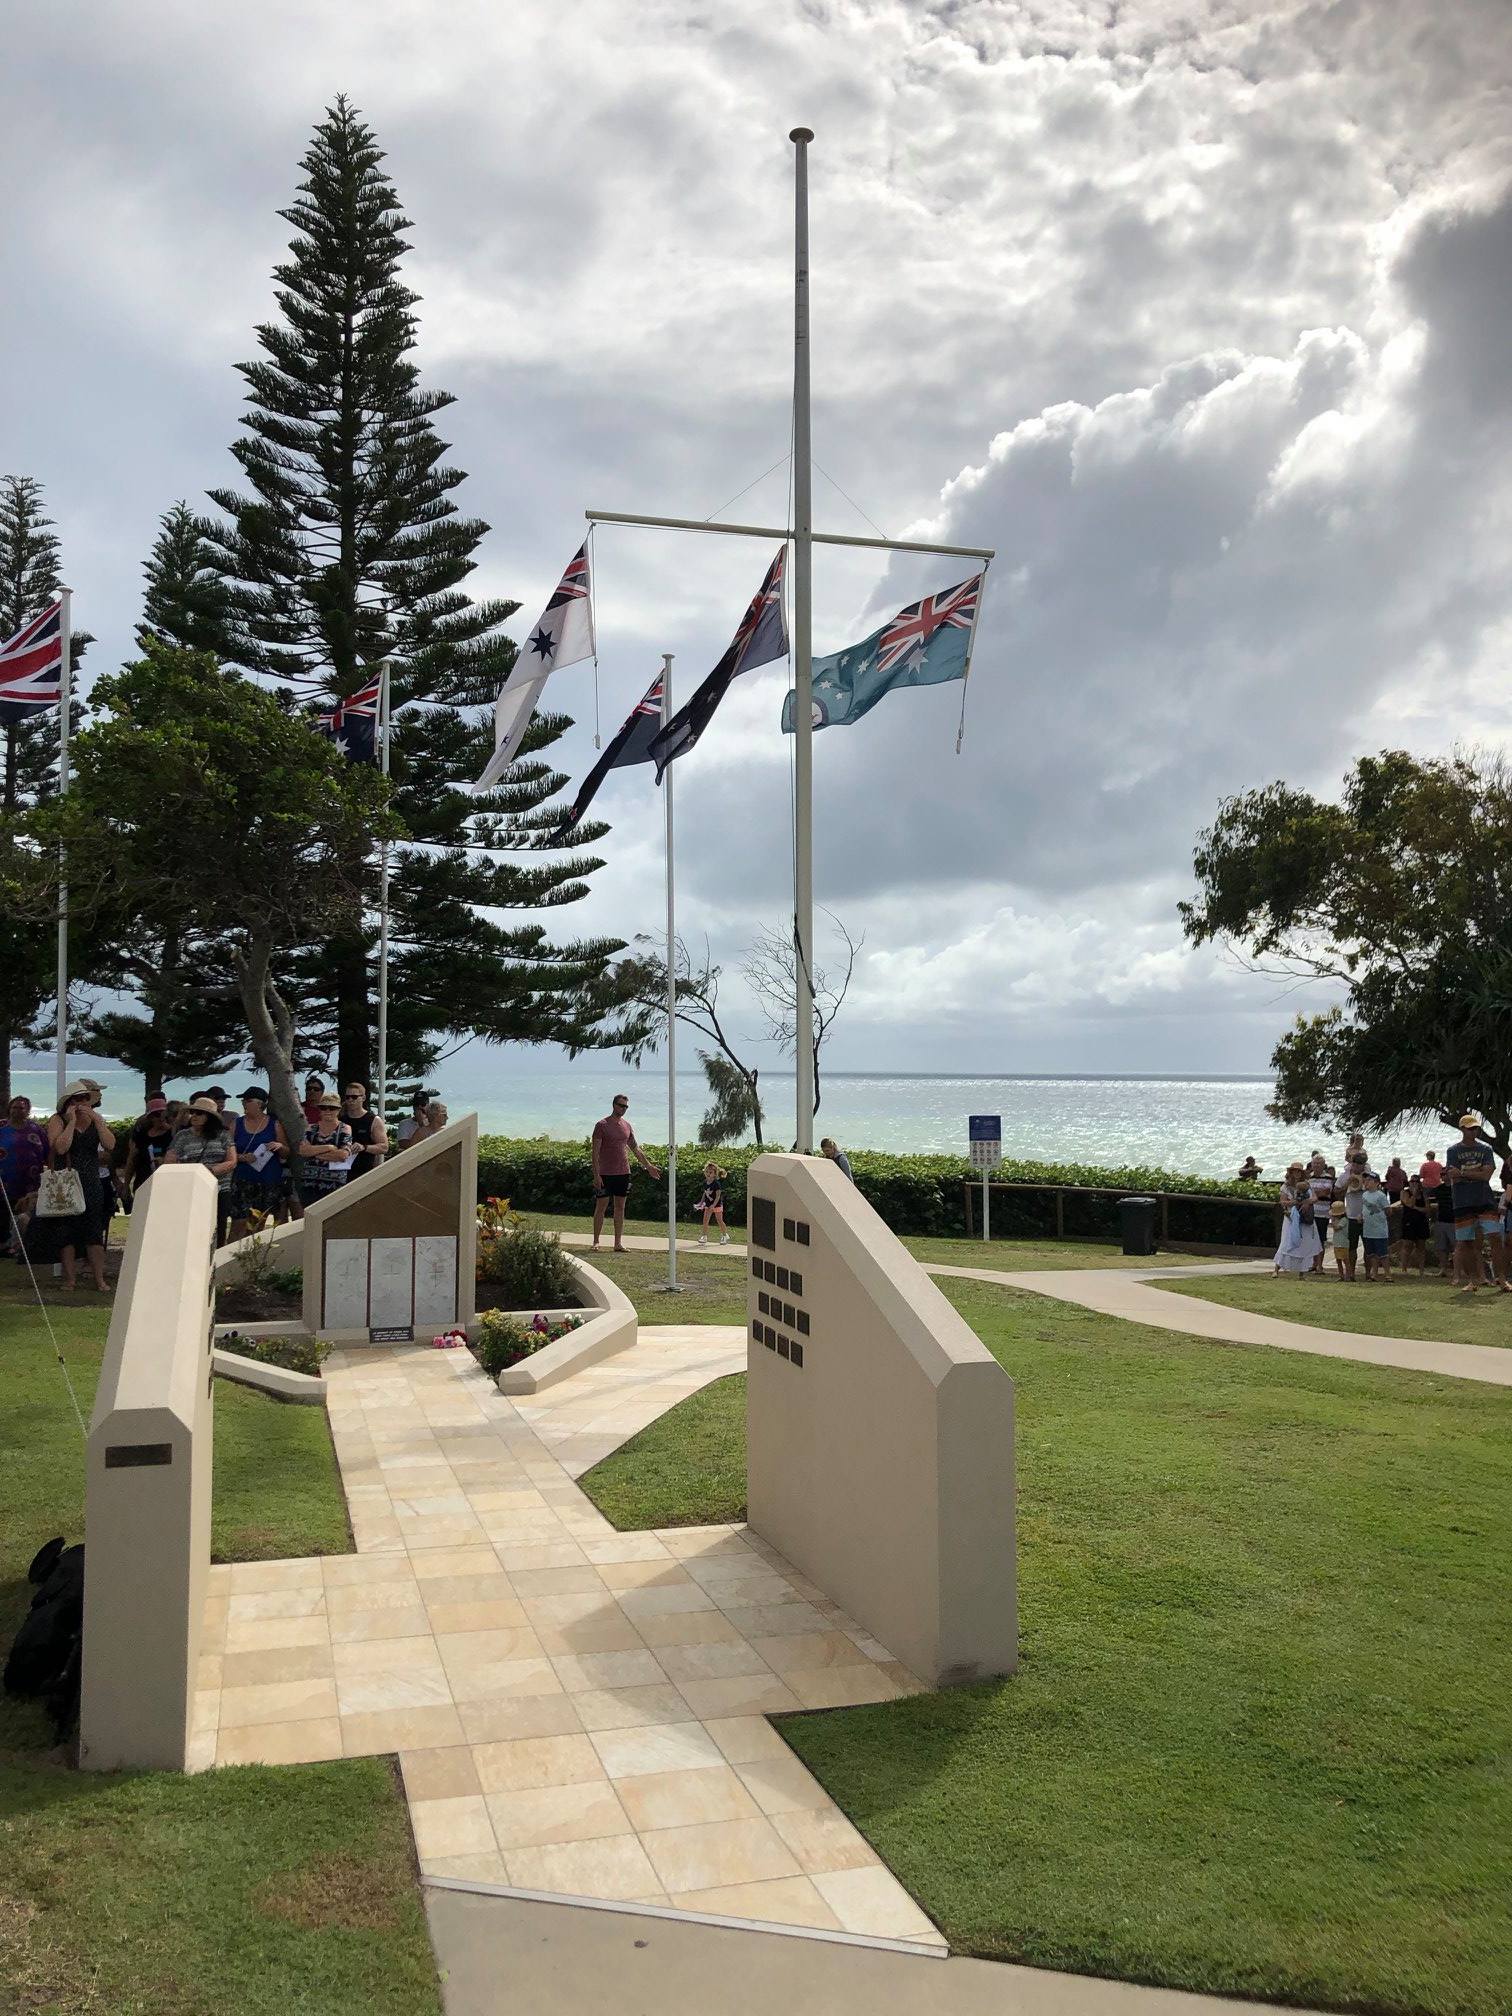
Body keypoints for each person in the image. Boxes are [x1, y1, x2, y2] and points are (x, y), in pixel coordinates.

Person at [41, 1082, 115, 1290]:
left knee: (94, 1231)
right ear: (68, 1102)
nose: (82, 1103)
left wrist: (98, 1121)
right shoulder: (58, 1120)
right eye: (77, 1099)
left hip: (91, 1179)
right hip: (67, 1181)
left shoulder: (94, 1120)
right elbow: (61, 1147)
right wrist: (72, 1122)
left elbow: (110, 1145)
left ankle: (99, 1278)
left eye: (85, 1098)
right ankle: (70, 1279)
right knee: (67, 1231)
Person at [1444, 1114, 1508, 1295]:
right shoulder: (1453, 1151)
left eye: (1476, 1128)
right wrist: (1475, 1172)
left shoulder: (1486, 1149)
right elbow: (1452, 1175)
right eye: (1470, 1128)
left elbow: (1486, 1175)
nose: (1474, 1131)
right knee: (1465, 1242)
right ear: (1462, 1129)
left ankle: (1501, 1278)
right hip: (1463, 1201)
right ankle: (1473, 1280)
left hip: (1484, 1199)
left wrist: (1463, 1172)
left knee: (1495, 1237)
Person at [590, 1093, 661, 1253]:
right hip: (605, 1173)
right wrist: (596, 1174)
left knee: (620, 1207)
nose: (624, 1109)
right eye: (621, 1106)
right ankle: (596, 1241)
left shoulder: (627, 1126)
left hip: (623, 1172)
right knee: (601, 1206)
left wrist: (648, 1166)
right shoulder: (601, 1125)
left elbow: (635, 1148)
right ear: (614, 1105)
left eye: (626, 1107)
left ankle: (618, 1243)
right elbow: (595, 1153)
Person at [164, 1095, 238, 1243]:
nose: (194, 1116)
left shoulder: (223, 1135)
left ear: (209, 1117)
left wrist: (209, 1172)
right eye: (192, 1113)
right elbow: (170, 1160)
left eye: (199, 1113)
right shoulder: (182, 1136)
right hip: (192, 1188)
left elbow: (232, 1161)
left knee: (219, 1227)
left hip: (220, 1188)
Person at [230, 1088, 290, 1238]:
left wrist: (279, 1146)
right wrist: (243, 1157)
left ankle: (251, 1256)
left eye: (248, 1101)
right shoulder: (236, 1124)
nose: (243, 1103)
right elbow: (225, 1153)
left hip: (267, 1181)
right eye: (243, 1100)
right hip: (242, 1180)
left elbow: (286, 1152)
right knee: (238, 1222)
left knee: (257, 1223)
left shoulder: (274, 1124)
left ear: (260, 1104)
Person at [0, 1095, 49, 1259]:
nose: (17, 1110)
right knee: (3, 1212)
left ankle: (24, 1246)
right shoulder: (1, 1127)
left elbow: (47, 1152)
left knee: (26, 1213)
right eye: (14, 1107)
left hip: (30, 1180)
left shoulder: (36, 1129)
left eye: (21, 1108)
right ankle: (4, 1246)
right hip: (5, 1179)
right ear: (9, 1109)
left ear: (27, 1111)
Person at [297, 1092, 355, 1208]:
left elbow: (343, 1155)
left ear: (338, 1110)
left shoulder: (344, 1128)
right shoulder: (311, 1128)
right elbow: (302, 1151)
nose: (328, 1111)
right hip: (310, 1184)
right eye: (324, 1108)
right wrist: (328, 1148)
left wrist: (314, 1152)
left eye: (332, 1108)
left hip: (334, 1185)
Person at [1272, 1163, 1321, 1277]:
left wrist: (1306, 1202)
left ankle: (1301, 1273)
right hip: (1291, 1218)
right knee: (1286, 1243)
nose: (1297, 1173)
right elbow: (1282, 1202)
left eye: (1299, 1171)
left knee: (1304, 1244)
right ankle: (1276, 1269)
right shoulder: (1286, 1186)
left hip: (1304, 1217)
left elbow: (1314, 1198)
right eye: (1295, 1171)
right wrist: (1294, 1202)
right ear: (1291, 1173)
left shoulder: (1307, 1185)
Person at [126, 1094, 176, 1196]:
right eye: (157, 1114)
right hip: (143, 1182)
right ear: (150, 1117)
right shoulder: (142, 1135)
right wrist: (126, 1184)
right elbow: (132, 1159)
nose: (161, 1118)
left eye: (164, 1114)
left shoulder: (174, 1135)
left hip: (167, 1184)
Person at [341, 1082, 388, 1177]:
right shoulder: (340, 1120)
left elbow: (384, 1147)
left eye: (354, 1097)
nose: (350, 1100)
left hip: (364, 1173)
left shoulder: (373, 1120)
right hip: (341, 1172)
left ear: (363, 1098)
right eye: (347, 1097)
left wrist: (364, 1147)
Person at [1359, 1171, 1393, 1282]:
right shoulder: (1364, 1195)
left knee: (1383, 1254)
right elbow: (1363, 1209)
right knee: (1371, 1254)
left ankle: (1388, 1275)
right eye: (1366, 1180)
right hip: (1368, 1229)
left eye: (1369, 1180)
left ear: (1376, 1182)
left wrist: (1380, 1216)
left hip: (1379, 1229)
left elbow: (1388, 1210)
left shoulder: (1381, 1195)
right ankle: (1374, 1274)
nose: (1366, 1182)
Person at [1305, 1153, 1335, 1273]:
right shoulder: (1309, 1178)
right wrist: (1316, 1193)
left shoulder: (1328, 1177)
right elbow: (1307, 1192)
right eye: (1315, 1163)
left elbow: (1326, 1191)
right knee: (1311, 1238)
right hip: (1311, 1212)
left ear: (1323, 1165)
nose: (1317, 1166)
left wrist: (1314, 1193)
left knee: (1321, 1239)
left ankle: (1320, 1265)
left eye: (1319, 1163)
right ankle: (1313, 1262)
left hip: (1323, 1212)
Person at [1399, 1176, 1430, 1277]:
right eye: (1412, 1181)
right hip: (1409, 1221)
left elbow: (1427, 1209)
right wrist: (1414, 1194)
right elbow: (1409, 1204)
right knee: (1407, 1245)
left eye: (1416, 1181)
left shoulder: (1423, 1194)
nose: (1414, 1183)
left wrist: (1417, 1207)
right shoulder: (1404, 1193)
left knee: (1421, 1246)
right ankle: (1404, 1269)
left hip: (1421, 1222)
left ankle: (1421, 1270)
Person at [697, 1163, 730, 1246]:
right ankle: (704, 1236)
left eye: (710, 1172)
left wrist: (714, 1205)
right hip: (708, 1205)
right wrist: (701, 1202)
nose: (708, 1174)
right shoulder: (705, 1182)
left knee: (719, 1220)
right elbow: (705, 1193)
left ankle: (724, 1235)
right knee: (705, 1220)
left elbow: (718, 1195)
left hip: (717, 1205)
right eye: (707, 1172)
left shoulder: (716, 1184)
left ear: (715, 1174)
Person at [1328, 1197, 1351, 1278]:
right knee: (1338, 1260)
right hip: (1337, 1242)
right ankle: (1341, 1275)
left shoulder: (1344, 1220)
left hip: (1343, 1243)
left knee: (1345, 1260)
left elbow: (1337, 1228)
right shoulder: (1338, 1220)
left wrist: (1332, 1220)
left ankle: (1348, 1275)